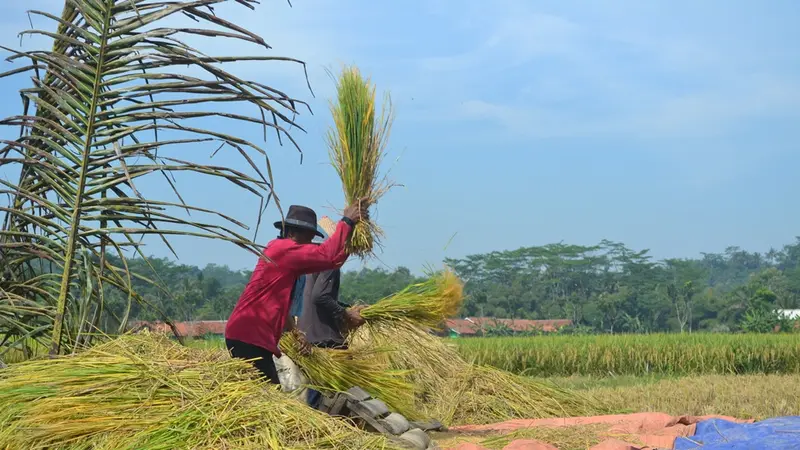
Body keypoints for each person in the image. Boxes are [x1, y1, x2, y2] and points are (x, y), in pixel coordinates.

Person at [224, 201, 368, 384]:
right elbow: (326, 255)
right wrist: (347, 220)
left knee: (265, 393)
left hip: (249, 336)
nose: (309, 245)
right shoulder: (281, 250)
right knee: (269, 396)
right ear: (291, 233)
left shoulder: (287, 263)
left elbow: (332, 262)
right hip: (248, 336)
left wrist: (295, 333)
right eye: (308, 239)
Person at [298, 216, 367, 408]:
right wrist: (346, 314)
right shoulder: (329, 261)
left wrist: (346, 308)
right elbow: (320, 297)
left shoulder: (306, 262)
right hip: (323, 338)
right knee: (335, 388)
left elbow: (317, 296)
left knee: (316, 387)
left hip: (306, 334)